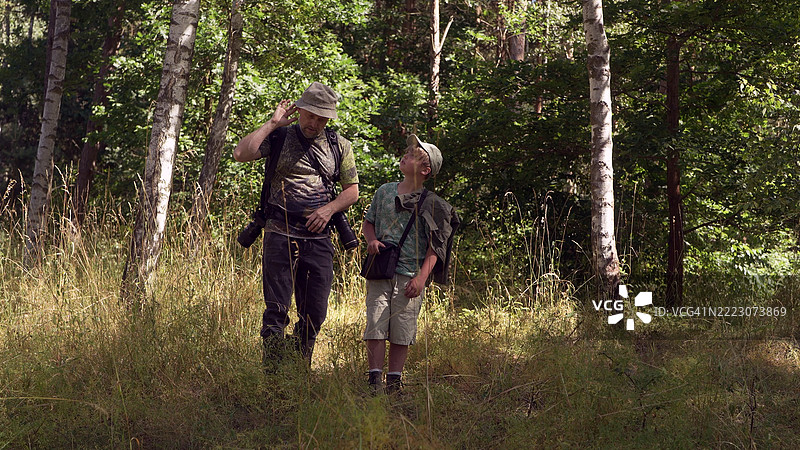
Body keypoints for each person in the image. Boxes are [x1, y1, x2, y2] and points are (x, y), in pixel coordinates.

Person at [234, 82, 359, 368]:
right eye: (310, 115)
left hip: (318, 238)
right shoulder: (279, 137)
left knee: (315, 310)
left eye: (321, 117)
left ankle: (299, 364)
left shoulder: (339, 146)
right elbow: (241, 154)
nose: (314, 122)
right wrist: (272, 123)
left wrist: (329, 210)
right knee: (276, 308)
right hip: (279, 232)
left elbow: (351, 191)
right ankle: (274, 372)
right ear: (299, 110)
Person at [362, 134, 459, 394]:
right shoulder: (384, 191)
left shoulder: (432, 204)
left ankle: (394, 382)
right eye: (406, 153)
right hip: (380, 271)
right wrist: (371, 241)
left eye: (414, 156)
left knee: (402, 330)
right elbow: (368, 222)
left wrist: (421, 278)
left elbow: (435, 247)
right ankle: (374, 382)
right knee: (375, 324)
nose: (405, 156)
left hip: (409, 276)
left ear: (426, 170)